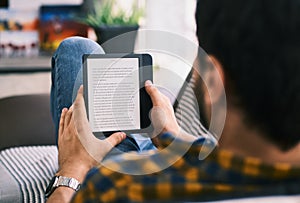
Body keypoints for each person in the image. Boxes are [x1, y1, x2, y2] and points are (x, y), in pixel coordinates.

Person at [47, 0, 300, 202]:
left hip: (116, 168)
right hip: (174, 154)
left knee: (76, 49)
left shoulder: (114, 189)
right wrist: (173, 136)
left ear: (214, 81)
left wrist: (72, 170)